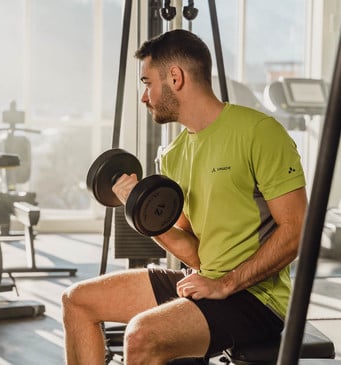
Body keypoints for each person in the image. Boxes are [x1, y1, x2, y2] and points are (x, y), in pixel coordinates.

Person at [62, 29, 307, 365]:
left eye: (147, 83)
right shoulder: (174, 154)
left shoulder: (259, 133)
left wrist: (226, 284)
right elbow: (194, 251)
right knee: (77, 300)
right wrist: (138, 209)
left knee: (142, 335)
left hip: (256, 298)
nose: (144, 96)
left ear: (175, 78)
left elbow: (297, 229)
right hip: (207, 282)